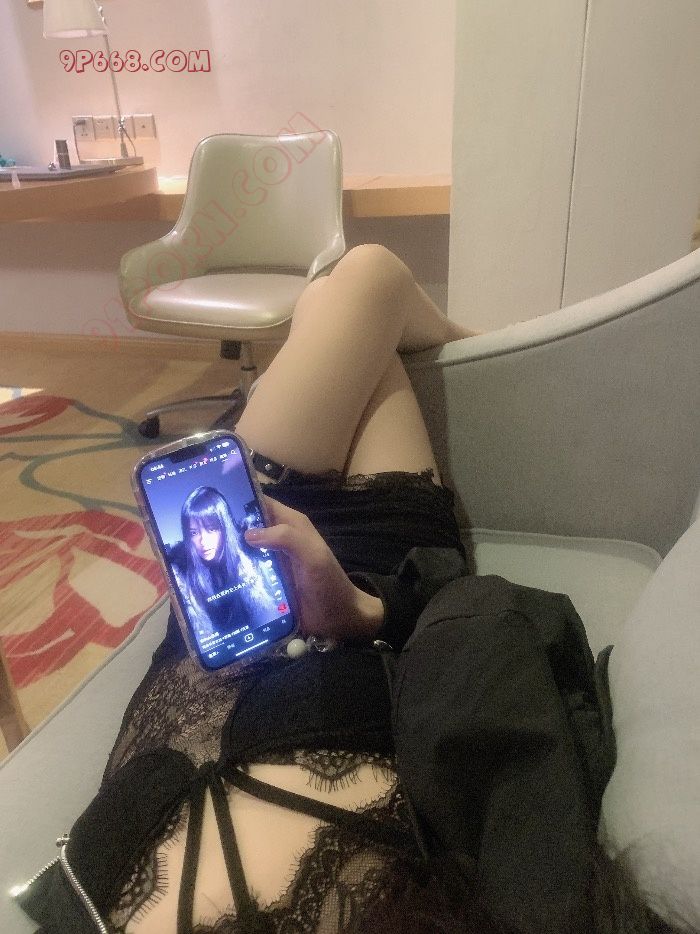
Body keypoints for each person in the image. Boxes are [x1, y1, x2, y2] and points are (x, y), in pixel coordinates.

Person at [16, 245, 686, 934]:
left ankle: (491, 355)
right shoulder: (520, 908)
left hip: (247, 558)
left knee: (343, 292)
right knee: (366, 279)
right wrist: (366, 611)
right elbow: (495, 644)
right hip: (379, 577)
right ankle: (506, 361)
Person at [171, 485, 278, 639]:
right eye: (194, 533)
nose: (203, 541)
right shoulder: (185, 579)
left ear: (224, 527)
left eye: (211, 529)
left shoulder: (254, 561)